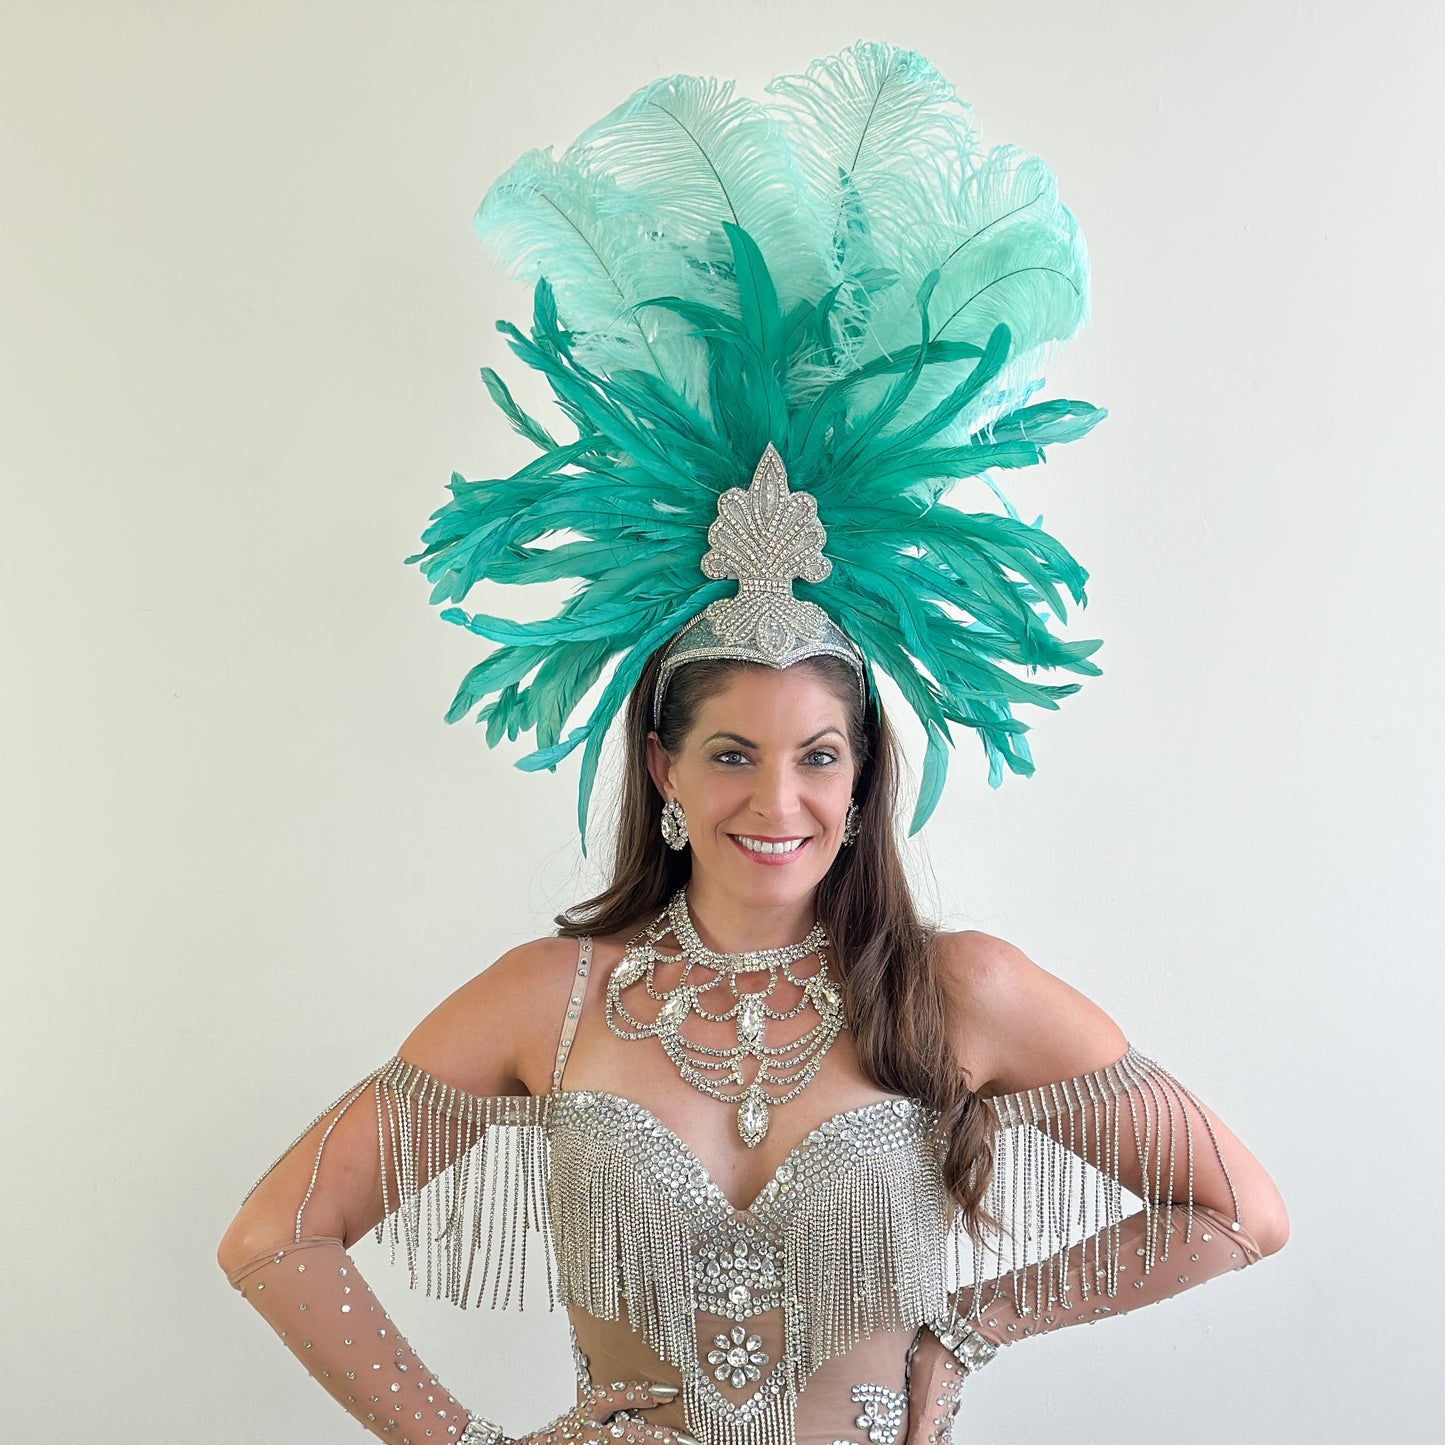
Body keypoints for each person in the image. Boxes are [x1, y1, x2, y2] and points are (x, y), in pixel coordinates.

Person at [217, 43, 1287, 1445]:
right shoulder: (547, 999)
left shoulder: (959, 993)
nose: (776, 797)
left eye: (816, 756)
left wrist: (970, 1327)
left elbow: (1236, 1208)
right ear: (660, 766)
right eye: (729, 753)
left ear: (863, 775)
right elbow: (274, 1237)